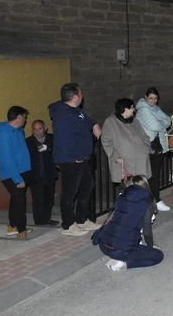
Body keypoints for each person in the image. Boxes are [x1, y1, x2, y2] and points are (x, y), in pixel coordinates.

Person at [49, 83, 102, 236]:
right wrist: (77, 157)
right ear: (74, 97)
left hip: (80, 158)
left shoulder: (74, 111)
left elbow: (86, 119)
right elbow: (65, 140)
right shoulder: (63, 115)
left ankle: (82, 219)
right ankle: (68, 225)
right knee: (69, 192)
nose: (82, 96)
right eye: (81, 94)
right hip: (71, 159)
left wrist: (94, 125)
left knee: (87, 185)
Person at [97, 175, 163, 271]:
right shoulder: (146, 203)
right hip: (120, 249)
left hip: (103, 244)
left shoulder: (122, 197)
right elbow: (147, 230)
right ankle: (125, 262)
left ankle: (118, 256)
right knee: (158, 256)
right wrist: (151, 246)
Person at [0, 106, 33, 238]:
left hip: (23, 171)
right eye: (24, 117)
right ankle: (21, 229)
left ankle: (12, 226)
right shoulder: (3, 134)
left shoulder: (19, 131)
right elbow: (6, 159)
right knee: (20, 200)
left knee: (15, 199)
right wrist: (17, 179)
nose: (25, 119)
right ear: (19, 117)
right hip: (12, 174)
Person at [101, 98, 151, 187]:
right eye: (132, 107)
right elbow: (106, 141)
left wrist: (146, 149)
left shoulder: (135, 121)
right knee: (128, 189)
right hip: (125, 164)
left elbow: (145, 137)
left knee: (141, 188)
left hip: (141, 163)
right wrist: (115, 156)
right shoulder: (111, 122)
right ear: (126, 109)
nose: (134, 110)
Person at [135, 87, 171, 212]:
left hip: (157, 145)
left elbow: (168, 120)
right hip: (148, 146)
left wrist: (161, 122)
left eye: (155, 98)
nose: (153, 101)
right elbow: (155, 125)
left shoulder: (156, 109)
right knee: (149, 175)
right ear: (145, 97)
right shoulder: (143, 109)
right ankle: (155, 200)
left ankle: (153, 199)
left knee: (155, 174)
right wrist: (161, 122)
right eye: (150, 98)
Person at [25, 119, 59, 226]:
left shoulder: (51, 139)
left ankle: (47, 219)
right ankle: (39, 222)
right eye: (35, 129)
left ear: (45, 128)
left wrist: (48, 148)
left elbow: (58, 151)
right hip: (35, 176)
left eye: (40, 129)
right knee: (38, 200)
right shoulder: (28, 142)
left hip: (49, 174)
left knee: (49, 199)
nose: (37, 132)